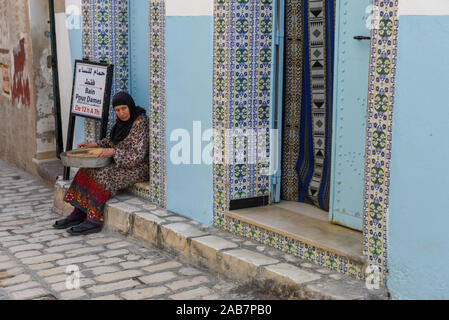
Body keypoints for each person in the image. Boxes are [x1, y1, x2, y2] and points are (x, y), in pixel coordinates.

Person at [53, 91, 149, 235]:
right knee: (86, 169)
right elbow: (110, 141)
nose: (121, 113)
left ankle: (94, 220)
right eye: (117, 110)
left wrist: (113, 152)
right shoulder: (120, 122)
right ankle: (78, 212)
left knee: (104, 174)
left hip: (138, 167)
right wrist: (93, 145)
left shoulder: (139, 123)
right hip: (120, 163)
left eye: (124, 108)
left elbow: (137, 155)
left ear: (130, 106)